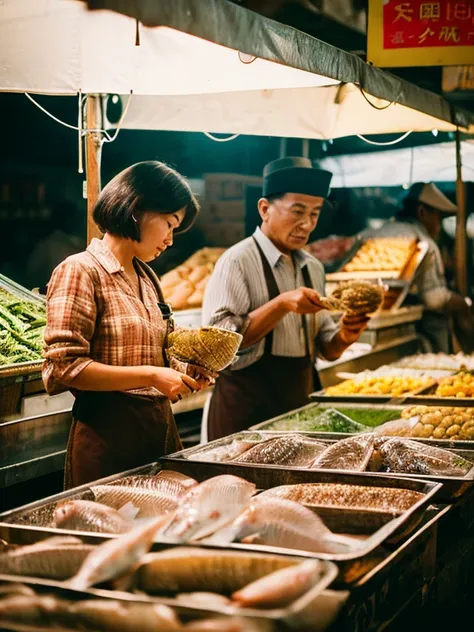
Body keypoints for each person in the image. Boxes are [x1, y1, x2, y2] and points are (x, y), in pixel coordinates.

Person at [43, 161, 212, 488]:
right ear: (136, 209)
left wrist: (186, 372)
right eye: (169, 223)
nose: (171, 240)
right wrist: (150, 376)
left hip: (159, 432)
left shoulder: (148, 278)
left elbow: (161, 352)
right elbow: (62, 368)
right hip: (107, 441)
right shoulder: (80, 271)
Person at [202, 157, 371, 441]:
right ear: (264, 209)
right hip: (245, 416)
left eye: (315, 214)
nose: (306, 224)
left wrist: (346, 334)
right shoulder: (237, 261)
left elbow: (326, 348)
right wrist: (282, 304)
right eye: (297, 212)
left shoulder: (313, 267)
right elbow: (217, 346)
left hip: (297, 411)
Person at [361, 182, 472, 353]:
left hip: (367, 329)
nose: (439, 226)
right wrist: (465, 303)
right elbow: (434, 299)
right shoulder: (423, 243)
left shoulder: (373, 234)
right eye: (438, 218)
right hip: (417, 337)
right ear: (422, 212)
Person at [25, 200, 84, 293]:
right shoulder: (47, 245)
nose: (73, 221)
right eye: (70, 217)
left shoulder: (83, 242)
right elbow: (32, 276)